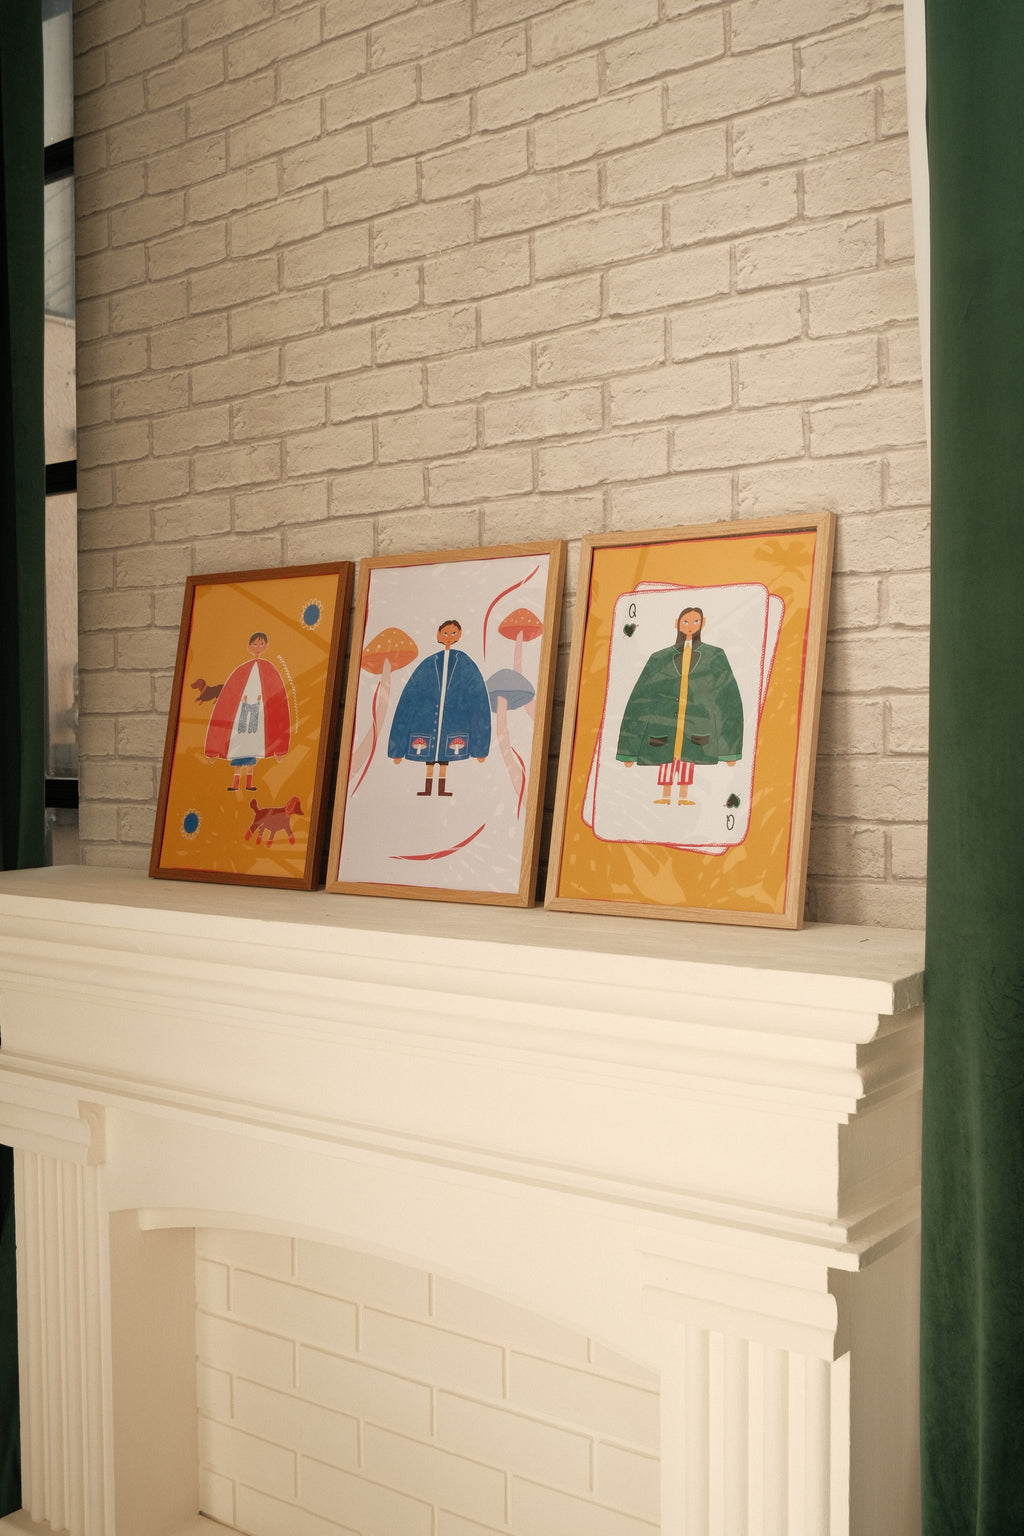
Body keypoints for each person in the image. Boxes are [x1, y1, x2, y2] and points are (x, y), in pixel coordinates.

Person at [616, 607, 742, 805]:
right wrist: (628, 751)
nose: (690, 626)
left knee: (687, 762)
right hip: (662, 729)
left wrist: (729, 751)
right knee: (666, 762)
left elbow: (728, 701)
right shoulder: (658, 658)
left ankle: (683, 796)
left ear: (703, 623)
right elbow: (638, 702)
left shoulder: (715, 656)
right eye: (685, 622)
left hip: (697, 731)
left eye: (695, 622)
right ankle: (665, 795)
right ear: (677, 623)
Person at [389, 620, 490, 796]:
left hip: (456, 730)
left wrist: (479, 747)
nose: (449, 637)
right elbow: (407, 702)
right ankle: (427, 789)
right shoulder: (428, 665)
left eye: (453, 633)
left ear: (459, 635)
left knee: (444, 760)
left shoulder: (466, 665)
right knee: (429, 760)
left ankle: (441, 790)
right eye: (445, 633)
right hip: (424, 728)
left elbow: (478, 704)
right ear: (438, 635)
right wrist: (397, 748)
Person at [204, 631, 291, 792]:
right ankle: (236, 784)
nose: (258, 647)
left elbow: (277, 703)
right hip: (242, 718)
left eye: (261, 644)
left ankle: (248, 784)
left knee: (251, 753)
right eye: (255, 644)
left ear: (266, 646)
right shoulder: (241, 671)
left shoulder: (269, 670)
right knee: (240, 751)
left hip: (257, 720)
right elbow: (227, 702)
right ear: (249, 646)